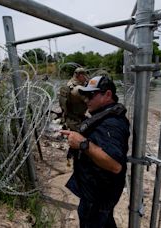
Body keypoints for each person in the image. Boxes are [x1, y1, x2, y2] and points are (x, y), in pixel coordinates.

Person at [60, 76, 130, 228]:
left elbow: (115, 165)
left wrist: (83, 144)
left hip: (98, 197)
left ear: (108, 95)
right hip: (95, 194)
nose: (86, 100)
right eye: (85, 95)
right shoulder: (104, 117)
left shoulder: (112, 123)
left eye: (91, 95)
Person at [59, 67, 88, 132]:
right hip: (76, 120)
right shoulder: (78, 89)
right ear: (80, 76)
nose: (86, 78)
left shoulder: (67, 85)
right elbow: (90, 102)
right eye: (85, 76)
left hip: (66, 117)